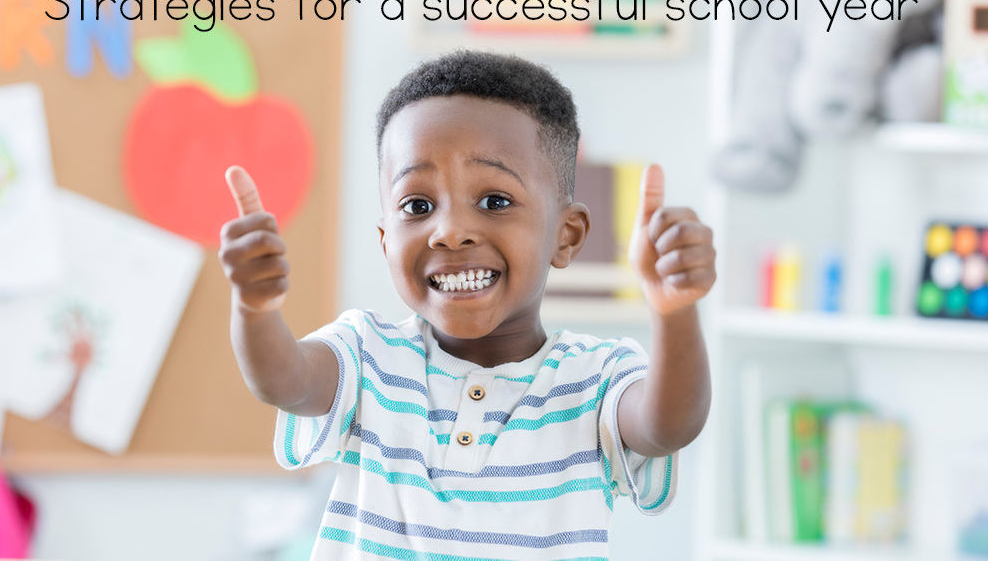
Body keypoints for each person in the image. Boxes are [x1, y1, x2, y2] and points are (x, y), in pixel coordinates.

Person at [218, 51, 714, 560]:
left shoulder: (597, 377)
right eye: (418, 205)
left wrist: (675, 311)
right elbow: (284, 381)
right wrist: (255, 308)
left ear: (565, 236)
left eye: (495, 201)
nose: (450, 232)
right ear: (386, 240)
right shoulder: (367, 355)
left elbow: (668, 425)